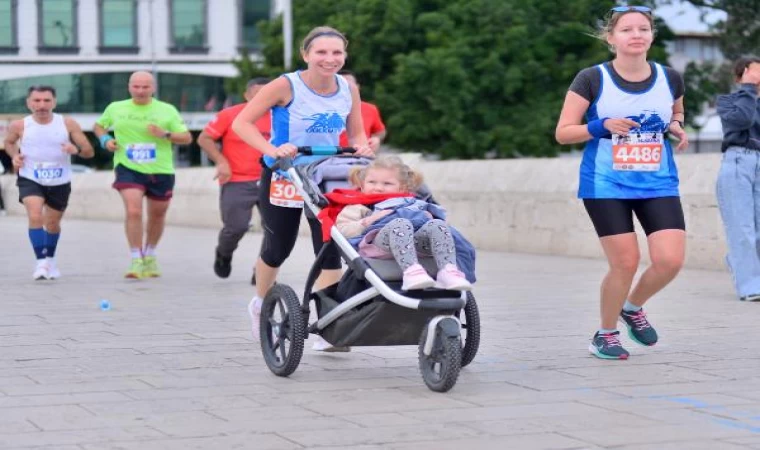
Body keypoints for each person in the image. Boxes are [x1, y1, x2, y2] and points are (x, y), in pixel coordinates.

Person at [555, 5, 689, 360]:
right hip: (605, 185)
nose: (636, 35)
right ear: (611, 38)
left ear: (651, 36)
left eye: (643, 29)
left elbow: (675, 111)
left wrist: (675, 125)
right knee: (625, 263)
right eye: (627, 30)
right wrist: (602, 126)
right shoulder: (592, 78)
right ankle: (606, 333)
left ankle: (632, 307)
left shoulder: (670, 77)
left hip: (658, 181)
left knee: (670, 261)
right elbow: (563, 132)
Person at [231, 26, 373, 342]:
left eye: (337, 52)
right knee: (279, 245)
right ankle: (261, 305)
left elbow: (356, 133)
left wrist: (362, 147)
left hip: (326, 174)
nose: (330, 59)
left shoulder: (348, 88)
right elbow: (242, 123)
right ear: (305, 54)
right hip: (284, 174)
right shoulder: (285, 85)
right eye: (321, 52)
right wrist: (273, 150)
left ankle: (330, 323)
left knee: (330, 247)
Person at [93, 71, 192, 279]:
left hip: (160, 169)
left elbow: (186, 138)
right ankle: (136, 258)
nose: (140, 91)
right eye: (136, 86)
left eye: (145, 87)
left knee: (157, 214)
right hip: (127, 167)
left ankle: (150, 254)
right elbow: (99, 126)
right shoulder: (116, 108)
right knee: (134, 211)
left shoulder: (167, 110)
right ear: (129, 87)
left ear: (153, 88)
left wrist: (165, 134)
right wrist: (105, 141)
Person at [335, 155, 472, 291]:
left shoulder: (413, 204)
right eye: (372, 182)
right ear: (362, 185)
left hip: (415, 243)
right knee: (400, 223)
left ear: (402, 188)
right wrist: (367, 221)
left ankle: (448, 271)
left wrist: (427, 217)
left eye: (387, 184)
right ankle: (411, 272)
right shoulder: (358, 206)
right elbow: (341, 230)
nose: (378, 188)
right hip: (379, 245)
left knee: (438, 225)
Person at [3, 85, 94, 279]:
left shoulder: (67, 124)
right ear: (29, 103)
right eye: (37, 100)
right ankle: (41, 262)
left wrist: (75, 150)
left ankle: (50, 260)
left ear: (54, 102)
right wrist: (14, 156)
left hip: (59, 180)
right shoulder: (19, 125)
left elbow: (89, 151)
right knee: (35, 215)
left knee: (52, 223)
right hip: (30, 177)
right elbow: (9, 143)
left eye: (46, 101)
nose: (42, 105)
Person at [198, 77, 271, 281]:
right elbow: (204, 138)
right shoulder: (230, 115)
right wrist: (221, 162)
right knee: (236, 227)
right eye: (257, 95)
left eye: (267, 95)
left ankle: (262, 270)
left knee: (274, 230)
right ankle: (224, 253)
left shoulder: (283, 117)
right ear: (247, 95)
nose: (262, 100)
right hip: (237, 179)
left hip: (273, 180)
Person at [716, 57, 760, 302]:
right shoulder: (729, 101)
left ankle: (739, 263)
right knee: (742, 227)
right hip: (738, 163)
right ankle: (751, 286)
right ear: (742, 74)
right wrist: (749, 89)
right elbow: (743, 120)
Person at [337, 71, 386, 152]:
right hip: (329, 159)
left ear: (357, 87)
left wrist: (376, 139)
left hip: (361, 159)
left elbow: (380, 132)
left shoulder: (370, 109)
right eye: (341, 84)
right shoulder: (321, 109)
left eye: (349, 85)